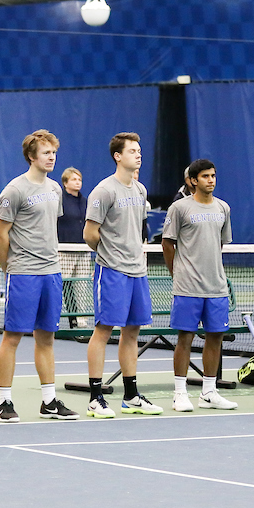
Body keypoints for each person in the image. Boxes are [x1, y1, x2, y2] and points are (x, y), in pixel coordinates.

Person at [0, 130, 79, 422]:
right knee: (13, 337)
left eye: (54, 152)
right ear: (32, 156)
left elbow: (46, 228)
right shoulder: (14, 190)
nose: (52, 157)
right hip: (24, 273)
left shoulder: (55, 189)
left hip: (51, 273)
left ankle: (49, 401)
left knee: (46, 338)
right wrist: (10, 267)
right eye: (46, 152)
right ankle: (5, 401)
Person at [82, 132, 163, 418]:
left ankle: (131, 395)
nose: (138, 154)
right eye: (132, 150)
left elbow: (138, 228)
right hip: (112, 270)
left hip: (137, 271)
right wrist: (110, 254)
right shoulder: (104, 190)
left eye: (139, 150)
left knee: (132, 332)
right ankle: (95, 397)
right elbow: (90, 233)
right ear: (118, 156)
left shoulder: (140, 190)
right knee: (103, 330)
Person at [162, 159, 238, 412]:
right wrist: (178, 274)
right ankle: (180, 393)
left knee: (215, 338)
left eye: (213, 175)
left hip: (216, 288)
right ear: (193, 180)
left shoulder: (223, 208)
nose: (211, 180)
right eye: (205, 176)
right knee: (185, 338)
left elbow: (220, 244)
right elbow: (167, 243)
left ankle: (209, 392)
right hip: (187, 288)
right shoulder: (179, 208)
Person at [57, 167, 90, 329]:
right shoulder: (59, 200)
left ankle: (81, 319)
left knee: (81, 286)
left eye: (79, 180)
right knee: (61, 285)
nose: (78, 183)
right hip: (64, 250)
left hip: (83, 251)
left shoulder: (85, 202)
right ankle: (55, 317)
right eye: (74, 180)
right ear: (65, 183)